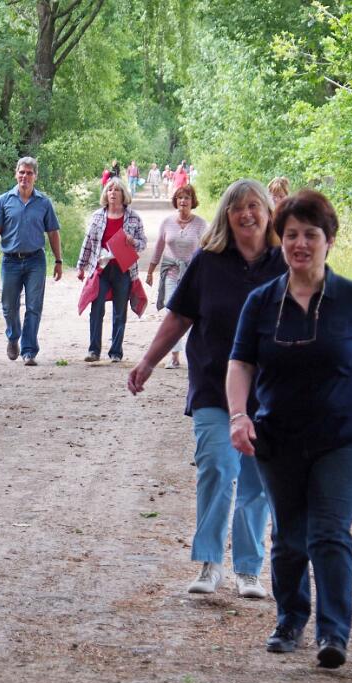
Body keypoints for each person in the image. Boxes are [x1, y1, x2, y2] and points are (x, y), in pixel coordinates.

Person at [226, 189, 352, 669]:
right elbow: (240, 363)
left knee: (328, 532)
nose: (300, 243)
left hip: (341, 438)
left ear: (329, 241)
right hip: (277, 436)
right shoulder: (261, 302)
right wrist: (239, 415)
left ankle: (333, 633)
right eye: (290, 235)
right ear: (279, 241)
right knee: (288, 536)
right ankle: (289, 619)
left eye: (311, 234)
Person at [127, 179, 287, 598]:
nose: (247, 214)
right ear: (226, 216)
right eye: (238, 207)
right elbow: (178, 318)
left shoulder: (285, 264)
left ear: (268, 212)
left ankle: (249, 570)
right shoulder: (208, 262)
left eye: (255, 206)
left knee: (256, 480)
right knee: (218, 466)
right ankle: (210, 563)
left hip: (270, 392)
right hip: (214, 385)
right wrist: (147, 362)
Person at [0, 156, 63, 366]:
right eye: (22, 172)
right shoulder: (4, 201)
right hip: (10, 261)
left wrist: (58, 260)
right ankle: (13, 336)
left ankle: (29, 350)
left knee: (34, 305)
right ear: (16, 174)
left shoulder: (43, 203)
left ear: (35, 177)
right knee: (9, 305)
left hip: (35, 261)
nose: (25, 176)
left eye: (29, 173)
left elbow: (53, 232)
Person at [76, 178, 148, 363]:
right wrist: (81, 266)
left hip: (123, 269)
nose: (113, 193)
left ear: (124, 195)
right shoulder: (98, 216)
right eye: (110, 190)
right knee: (97, 307)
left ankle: (116, 352)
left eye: (117, 190)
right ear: (105, 194)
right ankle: (94, 350)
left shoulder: (133, 217)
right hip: (101, 269)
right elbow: (88, 242)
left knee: (119, 311)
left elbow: (143, 243)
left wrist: (133, 241)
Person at [145, 184, 208, 369]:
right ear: (176, 201)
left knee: (194, 316)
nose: (183, 201)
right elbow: (158, 247)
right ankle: (174, 356)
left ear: (192, 201)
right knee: (172, 314)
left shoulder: (201, 224)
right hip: (171, 272)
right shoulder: (167, 222)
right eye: (180, 198)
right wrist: (150, 271)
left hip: (192, 276)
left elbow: (208, 249)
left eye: (187, 198)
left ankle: (195, 355)